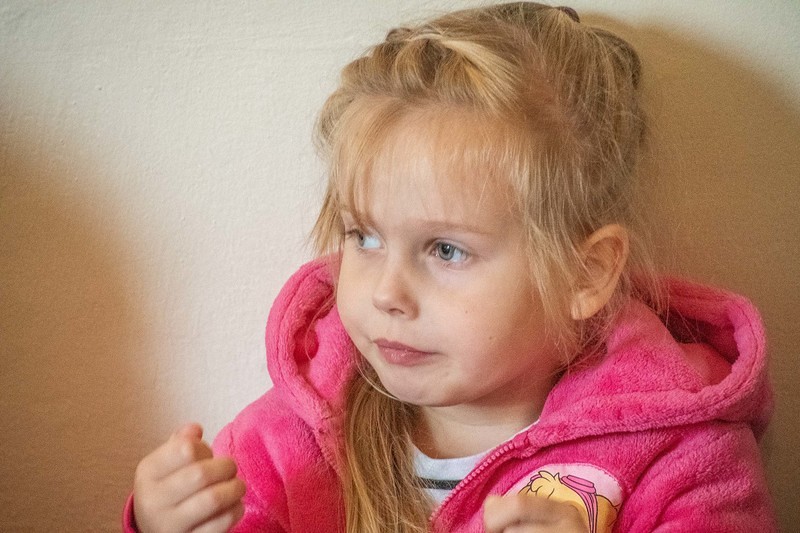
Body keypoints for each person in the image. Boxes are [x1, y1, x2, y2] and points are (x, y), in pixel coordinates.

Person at [124, 3, 776, 532]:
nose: (387, 293)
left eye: (445, 250)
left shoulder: (682, 459)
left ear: (585, 274)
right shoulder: (288, 435)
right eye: (364, 236)